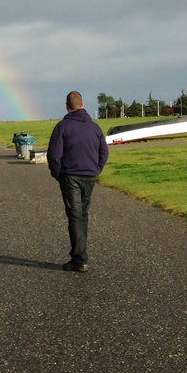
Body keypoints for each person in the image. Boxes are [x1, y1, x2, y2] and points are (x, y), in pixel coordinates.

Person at [45, 91, 109, 272]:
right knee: (82, 215)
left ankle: (79, 259)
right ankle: (80, 256)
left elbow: (53, 155)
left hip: (71, 176)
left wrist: (58, 175)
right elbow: (104, 152)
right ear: (82, 105)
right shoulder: (95, 128)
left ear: (67, 106)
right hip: (89, 176)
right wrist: (97, 169)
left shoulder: (62, 127)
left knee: (75, 216)